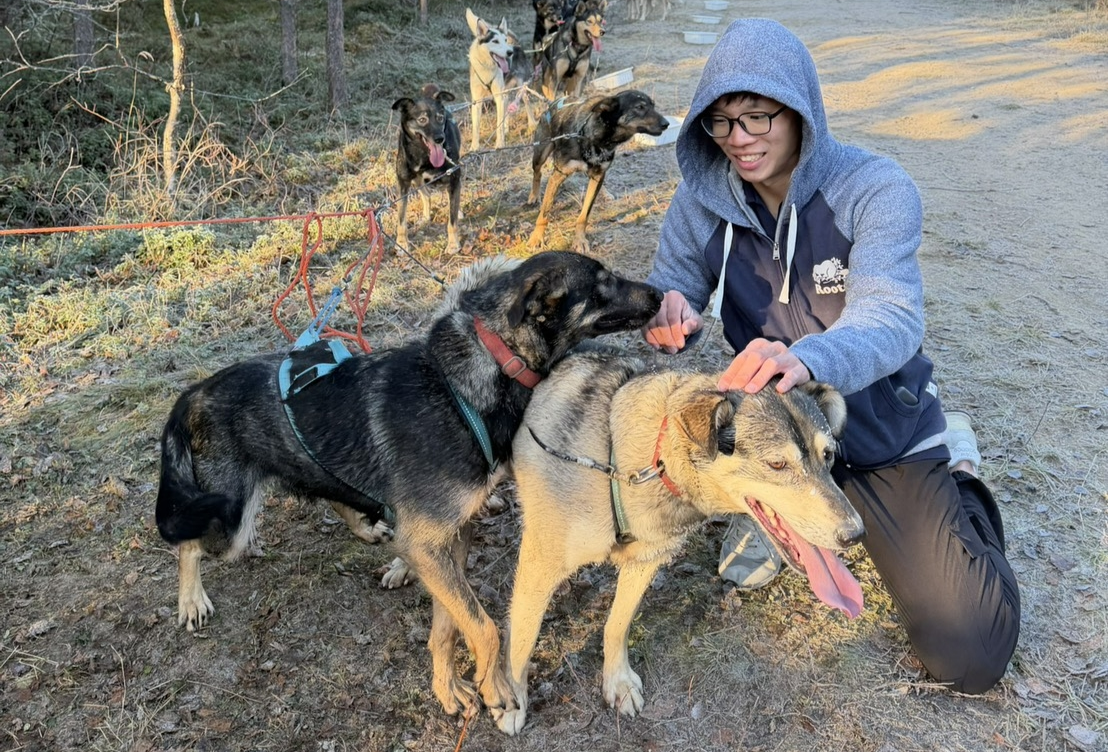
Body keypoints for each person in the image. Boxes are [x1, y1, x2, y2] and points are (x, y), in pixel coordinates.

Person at [641, 18, 1020, 694]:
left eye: (758, 116)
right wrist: (673, 314)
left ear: (801, 110)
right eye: (721, 122)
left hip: (880, 430)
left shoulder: (873, 188)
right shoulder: (702, 198)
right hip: (778, 432)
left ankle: (956, 478)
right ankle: (780, 511)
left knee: (970, 651)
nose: (739, 138)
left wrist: (809, 359)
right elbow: (675, 283)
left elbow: (892, 316)